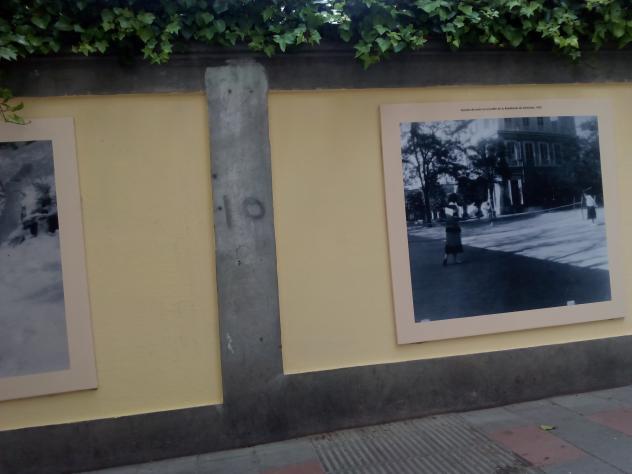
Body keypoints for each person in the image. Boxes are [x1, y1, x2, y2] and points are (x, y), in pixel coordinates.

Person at [443, 199, 463, 266]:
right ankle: (455, 259)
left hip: (448, 229)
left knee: (449, 244)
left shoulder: (447, 209)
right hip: (455, 228)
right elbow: (454, 218)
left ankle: (445, 258)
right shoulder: (454, 208)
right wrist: (458, 218)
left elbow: (448, 219)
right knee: (456, 244)